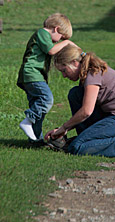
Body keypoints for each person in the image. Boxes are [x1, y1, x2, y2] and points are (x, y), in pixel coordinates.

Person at [45, 44, 115, 159]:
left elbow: (86, 111)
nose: (64, 75)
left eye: (64, 70)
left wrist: (63, 128)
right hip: (111, 117)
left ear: (75, 63)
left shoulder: (92, 75)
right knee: (76, 93)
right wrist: (63, 130)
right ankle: (85, 139)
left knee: (77, 148)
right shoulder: (88, 73)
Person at [17, 13, 74, 143]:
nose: (58, 41)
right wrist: (67, 43)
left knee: (38, 109)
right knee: (46, 99)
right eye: (61, 37)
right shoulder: (42, 33)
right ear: (56, 29)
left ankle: (36, 139)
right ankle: (27, 120)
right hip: (32, 74)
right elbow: (52, 51)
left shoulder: (47, 38)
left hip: (34, 75)